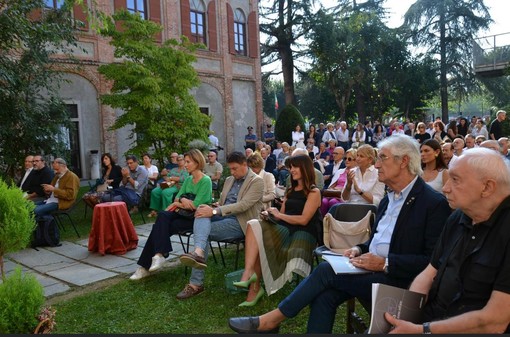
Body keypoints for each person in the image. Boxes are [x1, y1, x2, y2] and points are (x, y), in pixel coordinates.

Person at [228, 134, 451, 334]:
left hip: (400, 282)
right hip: (371, 270)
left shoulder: (432, 203)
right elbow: (374, 243)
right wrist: (358, 249)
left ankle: (273, 319)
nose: (377, 164)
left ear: (404, 161)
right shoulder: (388, 200)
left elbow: (432, 263)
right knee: (325, 295)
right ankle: (273, 322)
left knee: (326, 272)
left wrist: (385, 263)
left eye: (382, 158)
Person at [385, 148, 510, 334]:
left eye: (456, 180)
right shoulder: (459, 216)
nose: (445, 188)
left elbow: (495, 321)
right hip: (430, 318)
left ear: (487, 187)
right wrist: (407, 314)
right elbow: (428, 273)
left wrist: (422, 331)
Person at [235, 154, 321, 306]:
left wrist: (279, 215)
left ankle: (254, 289)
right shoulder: (290, 190)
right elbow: (282, 215)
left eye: (295, 167)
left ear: (305, 168)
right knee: (253, 224)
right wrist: (270, 215)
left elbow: (304, 219)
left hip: (305, 230)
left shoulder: (314, 192)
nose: (291, 170)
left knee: (261, 243)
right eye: (290, 167)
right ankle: (248, 274)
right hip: (286, 227)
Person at [176, 152, 264, 300]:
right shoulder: (230, 180)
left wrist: (215, 210)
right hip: (223, 216)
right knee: (201, 213)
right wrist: (212, 207)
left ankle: (195, 283)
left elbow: (243, 205)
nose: (232, 172)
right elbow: (224, 202)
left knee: (203, 232)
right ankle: (198, 253)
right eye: (230, 169)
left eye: (235, 168)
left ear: (245, 165)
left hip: (241, 223)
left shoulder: (257, 181)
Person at [129, 149, 212, 280]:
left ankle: (147, 264)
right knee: (162, 216)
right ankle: (159, 255)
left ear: (197, 162)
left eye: (188, 162)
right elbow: (177, 198)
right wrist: (183, 201)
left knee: (159, 228)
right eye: (185, 161)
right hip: (183, 213)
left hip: (195, 219)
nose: (185, 164)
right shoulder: (189, 179)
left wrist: (179, 202)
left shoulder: (206, 181)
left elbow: (195, 205)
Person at [320, 148, 357, 216]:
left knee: (333, 202)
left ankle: (331, 224)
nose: (346, 161)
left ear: (356, 160)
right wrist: (333, 190)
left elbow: (354, 189)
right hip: (334, 193)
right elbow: (331, 186)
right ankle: (321, 223)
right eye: (345, 158)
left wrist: (341, 189)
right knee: (323, 201)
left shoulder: (357, 172)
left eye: (349, 159)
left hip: (345, 196)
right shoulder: (340, 171)